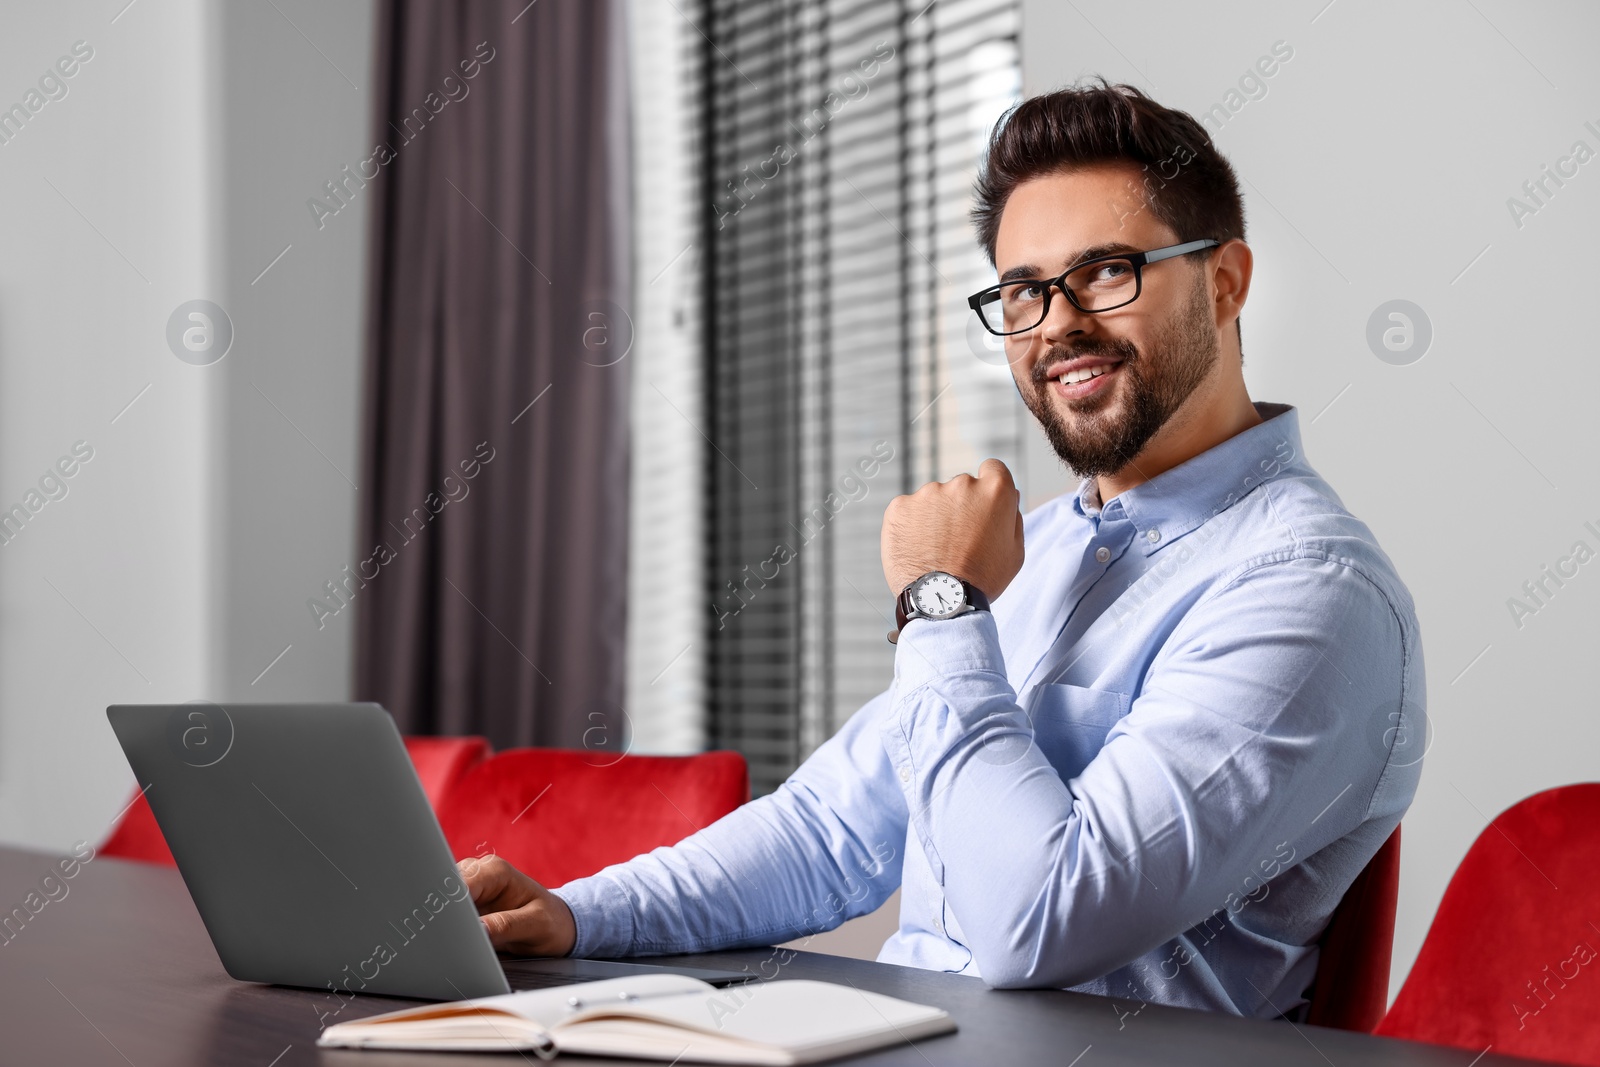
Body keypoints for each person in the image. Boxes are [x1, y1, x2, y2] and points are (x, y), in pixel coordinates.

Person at [461, 78, 1425, 1020]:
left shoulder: (1310, 590)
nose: (1059, 324)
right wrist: (577, 914)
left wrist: (940, 602)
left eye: (1105, 270)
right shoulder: (1034, 549)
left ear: (1224, 282)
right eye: (1022, 291)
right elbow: (828, 831)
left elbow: (1040, 921)